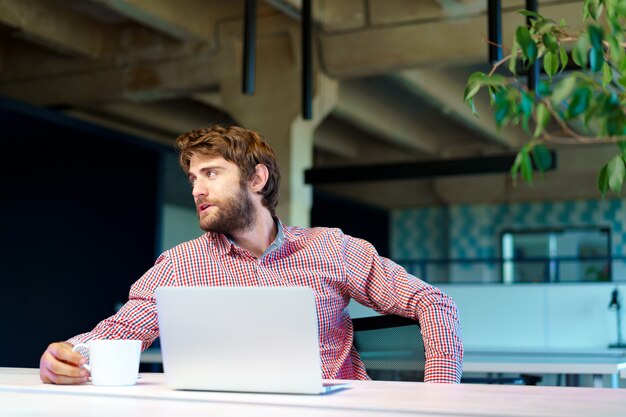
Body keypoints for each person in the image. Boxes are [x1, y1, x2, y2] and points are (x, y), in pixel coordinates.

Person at [39, 124, 463, 385]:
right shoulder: (181, 263)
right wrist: (73, 353)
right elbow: (124, 328)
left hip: (335, 407)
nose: (196, 190)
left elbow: (433, 302)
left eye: (211, 173)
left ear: (257, 178)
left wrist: (439, 393)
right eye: (192, 178)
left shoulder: (332, 248)